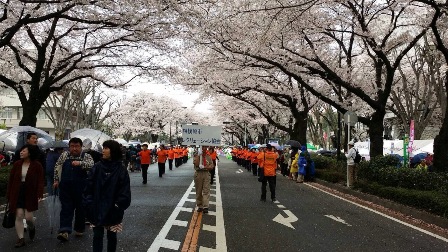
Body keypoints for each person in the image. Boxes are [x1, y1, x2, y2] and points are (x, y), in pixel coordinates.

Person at [83, 140, 131, 252]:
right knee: (97, 236)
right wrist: (89, 203)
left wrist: (118, 205)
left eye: (106, 148)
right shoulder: (97, 167)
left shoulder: (121, 170)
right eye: (103, 148)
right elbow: (88, 188)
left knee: (112, 237)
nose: (103, 150)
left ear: (113, 151)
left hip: (113, 209)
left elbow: (125, 191)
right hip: (96, 207)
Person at [53, 137, 94, 241]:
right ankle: (64, 231)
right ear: (69, 147)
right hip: (65, 187)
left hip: (82, 187)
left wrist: (80, 163)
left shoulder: (86, 156)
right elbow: (57, 166)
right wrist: (56, 180)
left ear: (81, 147)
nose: (74, 149)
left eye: (77, 146)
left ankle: (79, 228)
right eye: (72, 146)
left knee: (81, 208)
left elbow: (91, 166)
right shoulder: (64, 155)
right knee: (66, 208)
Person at [6, 144, 44, 248]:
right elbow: (11, 180)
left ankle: (31, 227)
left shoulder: (37, 165)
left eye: (24, 151)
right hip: (17, 191)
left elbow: (40, 180)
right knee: (19, 215)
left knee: (28, 217)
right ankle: (21, 238)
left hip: (30, 192)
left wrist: (40, 193)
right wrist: (9, 194)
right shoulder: (17, 164)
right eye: (21, 151)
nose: (21, 152)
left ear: (30, 153)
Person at [192, 146, 214, 213]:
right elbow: (196, 164)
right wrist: (199, 155)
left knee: (206, 190)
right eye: (202, 147)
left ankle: (205, 206)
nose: (204, 149)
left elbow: (212, 166)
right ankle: (200, 205)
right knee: (198, 190)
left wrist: (208, 167)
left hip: (206, 173)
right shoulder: (196, 155)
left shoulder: (208, 156)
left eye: (205, 147)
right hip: (198, 173)